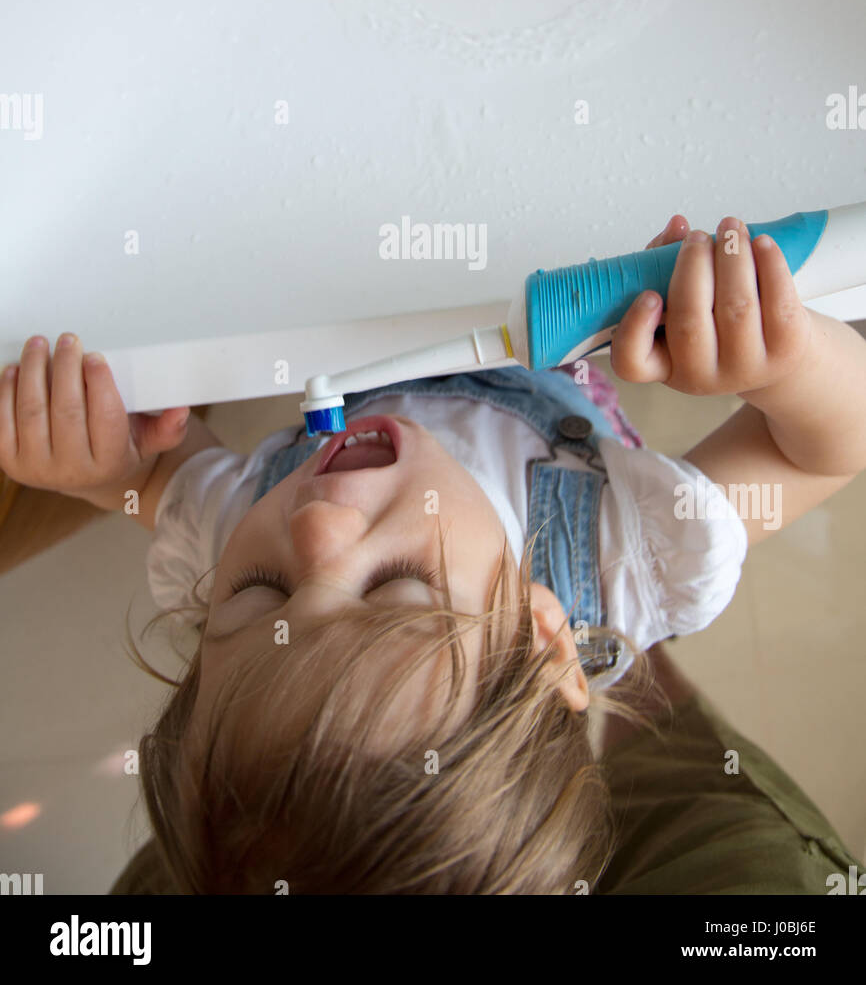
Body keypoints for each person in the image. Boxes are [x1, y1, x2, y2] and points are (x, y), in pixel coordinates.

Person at [3, 214, 865, 894]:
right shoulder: (617, 556)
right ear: (543, 633)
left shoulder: (231, 536)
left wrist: (102, 465)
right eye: (395, 589)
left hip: (343, 274)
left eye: (260, 594)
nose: (317, 527)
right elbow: (818, 451)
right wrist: (781, 362)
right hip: (556, 321)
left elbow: (155, 477)